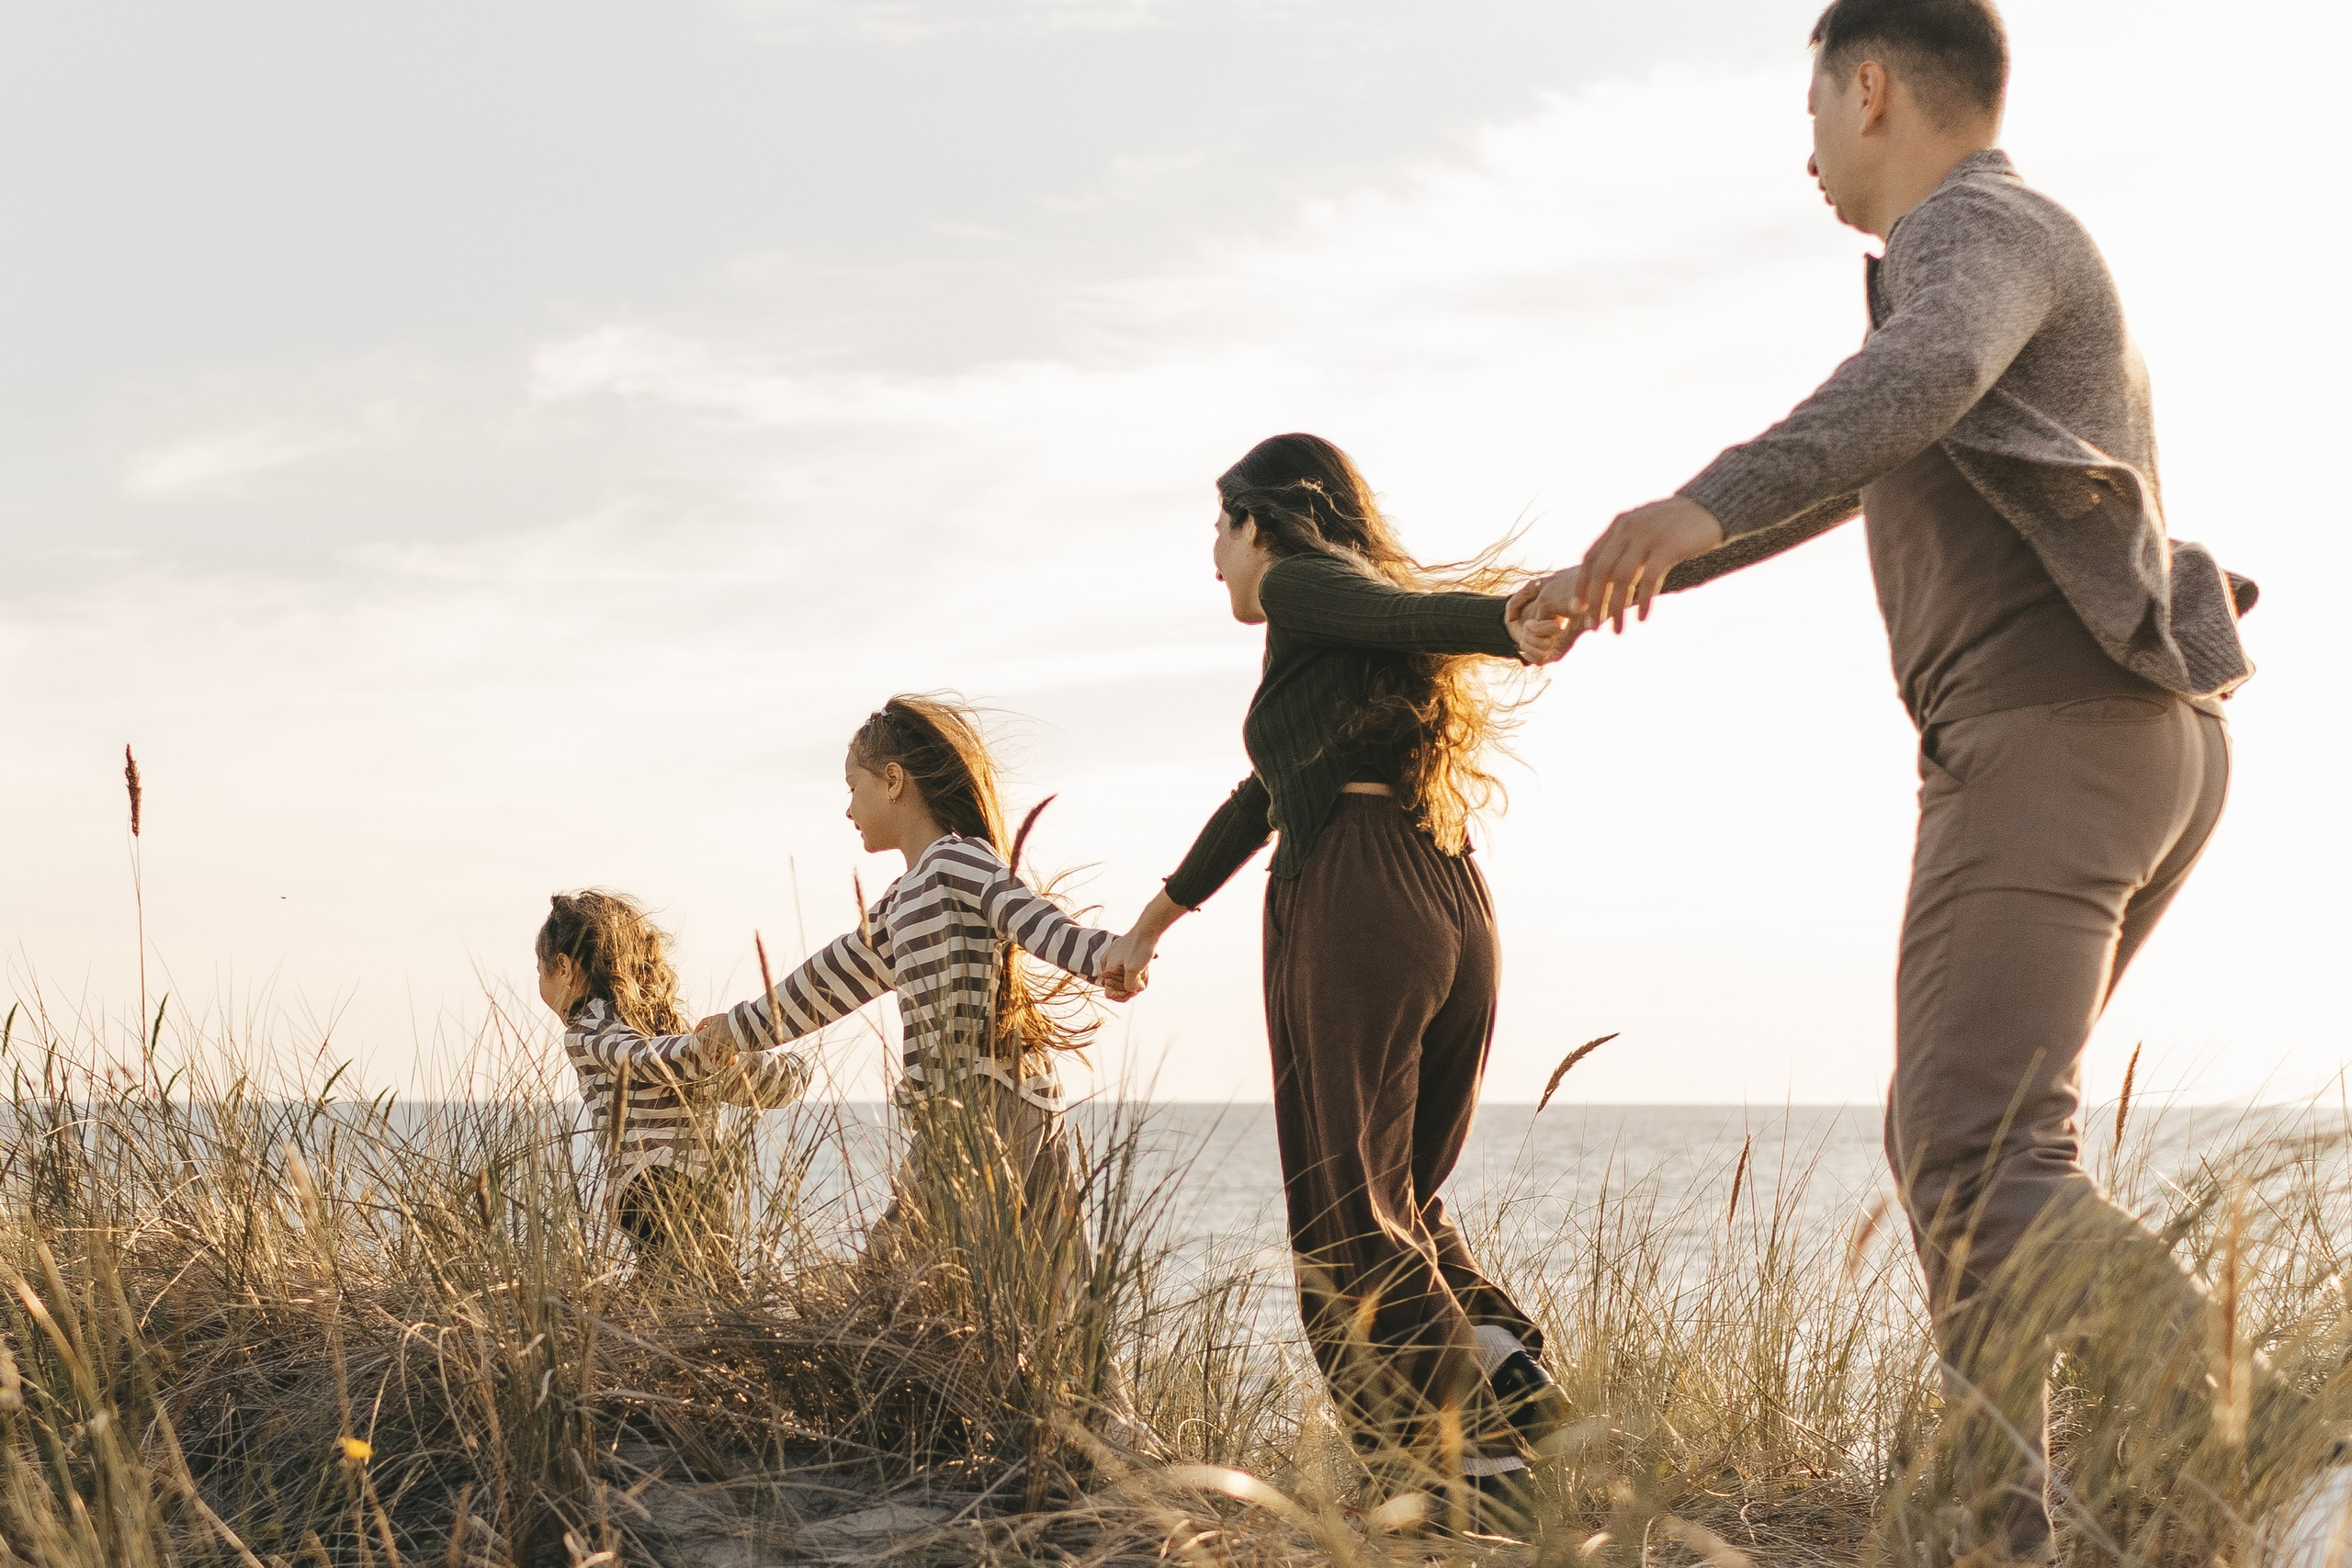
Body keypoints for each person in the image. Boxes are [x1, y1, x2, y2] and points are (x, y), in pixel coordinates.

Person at [1507, 1, 2306, 1558]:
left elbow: (1919, 376)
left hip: (2054, 737)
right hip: (2098, 739)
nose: (1803, 147)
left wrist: (1691, 503)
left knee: (1976, 1147)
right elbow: (1882, 431)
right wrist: (1650, 553)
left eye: (1810, 107)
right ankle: (2033, 1513)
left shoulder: (1978, 229)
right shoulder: (1964, 271)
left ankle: (2261, 1441)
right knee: (1957, 1140)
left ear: (1870, 87)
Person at [1096, 434, 1572, 1538]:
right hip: (1444, 891)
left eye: (1219, 533)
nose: (1213, 561)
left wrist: (1503, 621)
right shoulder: (1332, 651)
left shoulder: (1308, 585)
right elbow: (1260, 795)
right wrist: (1150, 924)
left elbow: (1415, 619)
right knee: (1402, 1195)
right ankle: (1501, 1375)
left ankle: (1460, 1475)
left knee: (1345, 1208)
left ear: (1259, 523)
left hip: (1359, 894)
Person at [711, 694, 1126, 1292]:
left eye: (853, 786)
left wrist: (1101, 956)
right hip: (985, 1106)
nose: (848, 806)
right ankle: (1065, 1388)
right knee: (1052, 1301)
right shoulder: (898, 905)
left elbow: (1026, 915)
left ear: (893, 780)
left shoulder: (955, 859)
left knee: (893, 1280)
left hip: (988, 1103)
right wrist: (736, 1028)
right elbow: (821, 984)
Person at [536, 889, 807, 1264]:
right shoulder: (672, 1034)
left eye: (540, 970)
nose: (539, 983)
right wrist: (724, 1051)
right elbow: (676, 1060)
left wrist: (722, 1051)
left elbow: (645, 1059)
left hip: (652, 1185)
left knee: (682, 1297)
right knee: (695, 1295)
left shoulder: (588, 1031)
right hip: (702, 1191)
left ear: (563, 967)